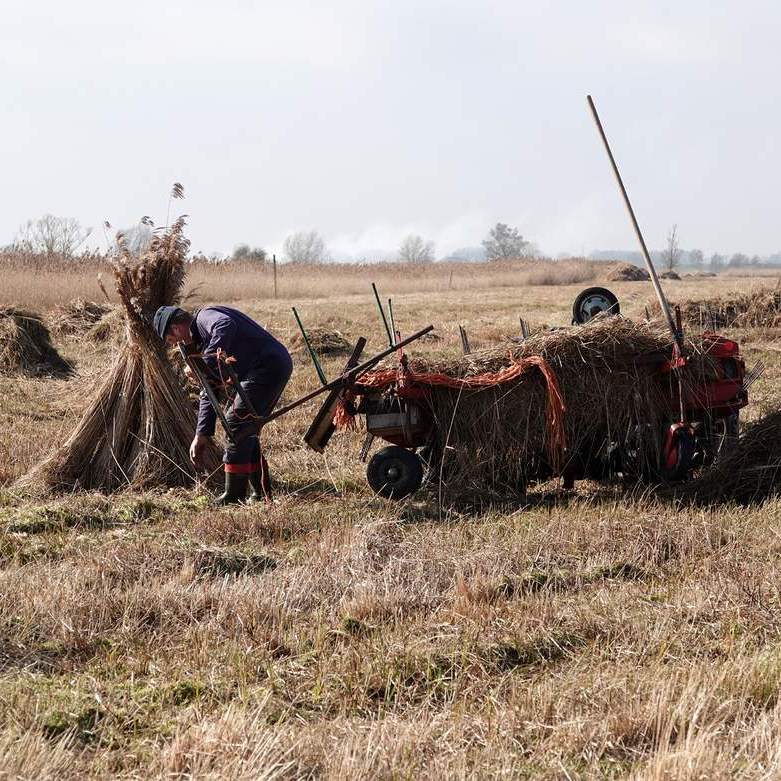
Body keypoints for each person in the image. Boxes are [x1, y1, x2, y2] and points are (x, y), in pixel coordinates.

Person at [153, 304, 293, 505]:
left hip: (267, 365)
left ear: (175, 329)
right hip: (267, 366)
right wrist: (201, 434)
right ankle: (259, 494)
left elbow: (225, 324)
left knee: (236, 424)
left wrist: (207, 361)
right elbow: (209, 388)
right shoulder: (200, 342)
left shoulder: (204, 317)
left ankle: (234, 496)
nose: (175, 344)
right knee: (247, 426)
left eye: (171, 340)